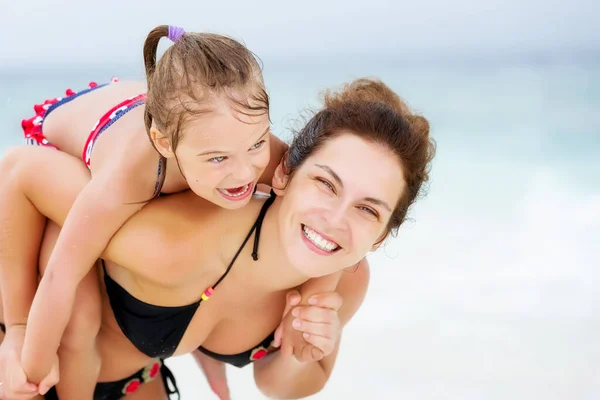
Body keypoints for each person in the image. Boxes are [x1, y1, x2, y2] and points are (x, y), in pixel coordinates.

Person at [0, 77, 435, 399]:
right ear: (283, 172)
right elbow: (21, 171)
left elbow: (278, 386)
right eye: (325, 184)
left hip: (131, 379)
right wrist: (18, 330)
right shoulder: (178, 242)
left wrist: (300, 352)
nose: (335, 219)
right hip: (29, 355)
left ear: (381, 235)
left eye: (367, 209)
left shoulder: (346, 281)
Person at [6, 24, 338, 399]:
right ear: (164, 143)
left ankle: (200, 347)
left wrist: (311, 306)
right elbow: (59, 278)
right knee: (80, 319)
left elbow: (328, 221)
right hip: (67, 144)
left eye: (257, 143)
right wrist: (27, 363)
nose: (245, 173)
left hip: (177, 125)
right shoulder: (125, 179)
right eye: (218, 158)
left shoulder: (250, 146)